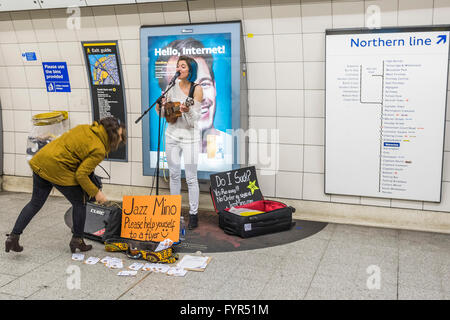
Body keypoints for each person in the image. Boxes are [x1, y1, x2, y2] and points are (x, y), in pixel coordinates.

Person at [5, 117, 126, 254]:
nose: (121, 139)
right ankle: (77, 240)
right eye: (120, 135)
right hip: (58, 168)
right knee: (80, 202)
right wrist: (97, 193)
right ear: (112, 134)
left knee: (35, 203)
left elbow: (73, 153)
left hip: (41, 161)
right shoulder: (99, 148)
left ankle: (13, 237)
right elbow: (81, 174)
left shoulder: (84, 128)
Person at [156, 38, 227, 154]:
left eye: (204, 83)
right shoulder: (168, 153)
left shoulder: (230, 148)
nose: (201, 97)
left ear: (214, 86)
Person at [156, 55, 203, 229]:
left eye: (183, 66)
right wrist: (160, 106)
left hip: (190, 138)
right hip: (172, 136)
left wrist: (186, 110)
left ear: (190, 70)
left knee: (191, 178)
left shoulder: (197, 89)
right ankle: (173, 212)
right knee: (174, 175)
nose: (179, 69)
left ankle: (193, 214)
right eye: (178, 66)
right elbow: (163, 115)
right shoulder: (171, 86)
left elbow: (193, 121)